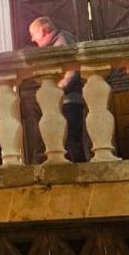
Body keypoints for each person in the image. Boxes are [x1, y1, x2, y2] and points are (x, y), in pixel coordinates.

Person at [29, 16, 88, 163]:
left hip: (68, 100)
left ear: (43, 31)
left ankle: (78, 171)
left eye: (33, 34)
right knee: (69, 139)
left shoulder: (61, 43)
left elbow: (71, 71)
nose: (32, 39)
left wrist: (56, 91)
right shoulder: (59, 42)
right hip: (67, 100)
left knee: (70, 139)